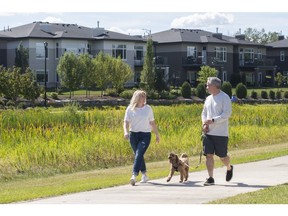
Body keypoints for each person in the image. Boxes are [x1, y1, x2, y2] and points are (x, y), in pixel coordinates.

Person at [123, 90, 160, 186]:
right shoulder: (130, 109)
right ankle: (144, 174)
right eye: (142, 96)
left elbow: (152, 122)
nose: (144, 98)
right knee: (138, 155)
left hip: (145, 135)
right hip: (133, 135)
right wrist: (126, 132)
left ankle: (134, 175)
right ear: (137, 98)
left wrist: (157, 134)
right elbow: (126, 122)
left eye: (144, 96)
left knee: (139, 153)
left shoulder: (148, 109)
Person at [201, 77, 233, 186]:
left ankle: (229, 167)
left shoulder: (225, 97)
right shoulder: (208, 98)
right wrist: (204, 123)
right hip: (208, 133)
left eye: (208, 85)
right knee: (209, 155)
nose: (206, 87)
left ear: (214, 86)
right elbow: (204, 113)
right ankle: (210, 178)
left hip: (221, 133)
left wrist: (214, 120)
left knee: (223, 157)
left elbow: (227, 114)